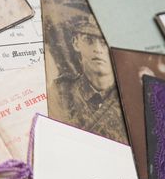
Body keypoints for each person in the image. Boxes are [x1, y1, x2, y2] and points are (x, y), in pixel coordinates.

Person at [47, 14, 127, 143]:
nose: (97, 49)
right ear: (75, 43)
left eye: (104, 42)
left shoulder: (130, 95)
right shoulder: (61, 92)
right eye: (88, 40)